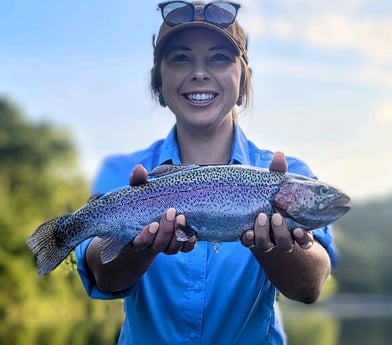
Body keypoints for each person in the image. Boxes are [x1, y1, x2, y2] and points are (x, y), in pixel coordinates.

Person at [75, 1, 335, 344]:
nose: (199, 72)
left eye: (219, 57)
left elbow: (311, 285)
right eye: (181, 58)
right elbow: (103, 274)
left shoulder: (288, 172)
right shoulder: (125, 172)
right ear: (158, 82)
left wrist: (277, 248)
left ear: (244, 80)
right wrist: (139, 247)